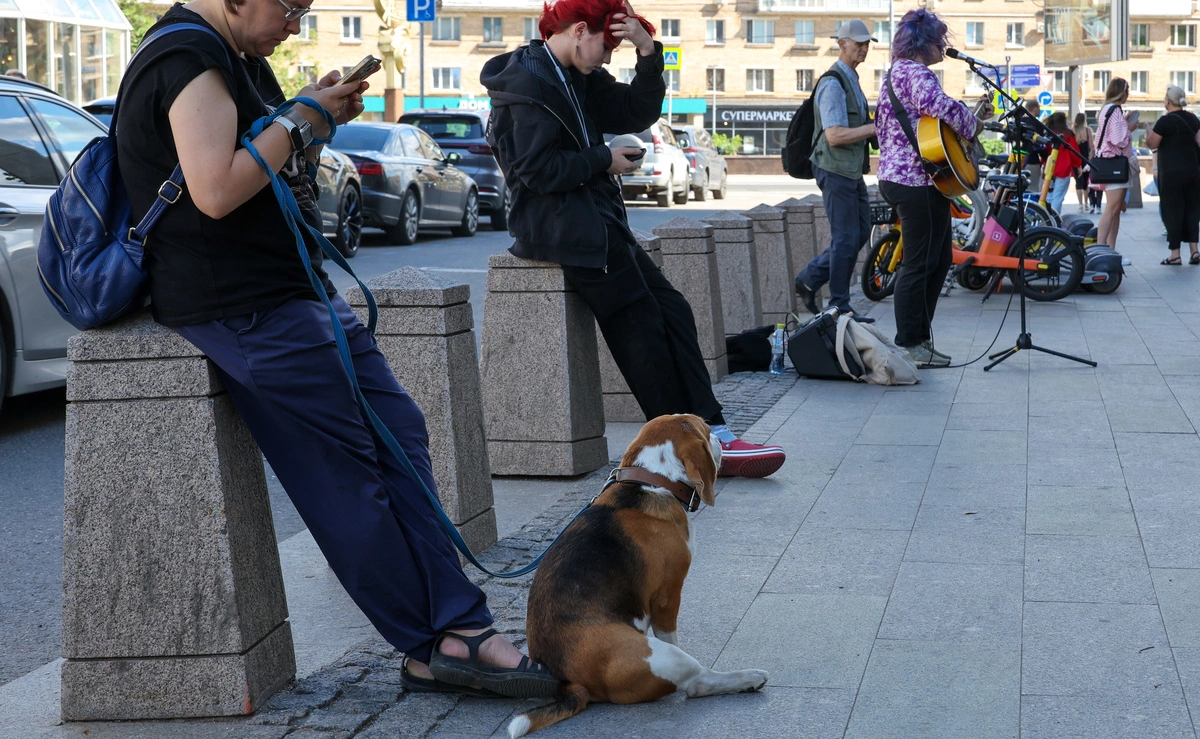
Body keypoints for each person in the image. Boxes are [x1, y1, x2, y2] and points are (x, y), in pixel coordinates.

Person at [115, 0, 560, 700]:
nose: (295, 22)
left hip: (296, 292)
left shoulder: (238, 58)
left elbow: (270, 175)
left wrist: (315, 120)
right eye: (289, 6)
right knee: (349, 480)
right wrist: (299, 121)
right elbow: (215, 189)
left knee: (400, 432)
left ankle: (449, 627)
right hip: (244, 307)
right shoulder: (184, 58)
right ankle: (440, 636)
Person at [481, 0, 785, 477]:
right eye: (608, 44)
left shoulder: (574, 74)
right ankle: (682, 448)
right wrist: (604, 158)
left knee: (673, 310)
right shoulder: (528, 84)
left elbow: (636, 109)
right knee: (641, 330)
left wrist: (648, 52)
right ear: (580, 30)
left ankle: (712, 432)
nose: (608, 56)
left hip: (597, 224)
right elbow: (535, 173)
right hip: (564, 231)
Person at [874, 7, 986, 368]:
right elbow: (936, 104)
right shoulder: (915, 72)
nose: (944, 47)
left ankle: (920, 339)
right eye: (940, 41)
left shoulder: (897, 73)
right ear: (925, 43)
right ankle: (909, 343)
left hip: (915, 179)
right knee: (921, 263)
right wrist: (971, 122)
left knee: (937, 261)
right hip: (915, 181)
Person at [793, 19, 878, 324]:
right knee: (845, 237)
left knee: (857, 235)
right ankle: (840, 305)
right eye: (859, 43)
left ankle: (810, 277)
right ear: (842, 44)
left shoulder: (852, 78)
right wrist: (873, 128)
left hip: (851, 170)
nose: (865, 48)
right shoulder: (833, 83)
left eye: (868, 43)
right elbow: (834, 136)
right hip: (833, 167)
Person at [1146, 85, 1200, 265]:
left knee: (1173, 211)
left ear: (1168, 101)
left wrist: (1148, 130)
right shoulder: (1193, 119)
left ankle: (1175, 254)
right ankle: (1194, 251)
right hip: (1193, 172)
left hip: (1171, 174)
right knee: (1193, 210)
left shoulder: (1164, 121)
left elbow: (1152, 143)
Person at [1090, 78, 1144, 252]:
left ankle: (1110, 249)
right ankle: (1101, 248)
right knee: (1112, 209)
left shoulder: (1107, 109)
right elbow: (1118, 140)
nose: (1128, 95)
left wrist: (1124, 122)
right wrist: (1129, 129)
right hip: (1115, 164)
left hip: (1108, 162)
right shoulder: (1115, 112)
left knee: (1115, 210)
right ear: (1123, 92)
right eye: (1127, 91)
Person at [1045, 112, 1081, 216]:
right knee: (1058, 196)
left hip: (1049, 167)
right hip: (1064, 168)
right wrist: (1077, 165)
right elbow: (1074, 152)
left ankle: (1046, 217)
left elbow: (1045, 151)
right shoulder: (1068, 134)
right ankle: (1053, 219)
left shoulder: (1049, 133)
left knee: (1048, 195)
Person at [1073, 112, 1099, 213]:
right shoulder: (1088, 130)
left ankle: (1080, 205)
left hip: (1076, 158)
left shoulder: (1073, 131)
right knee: (1086, 182)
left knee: (1078, 182)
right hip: (1086, 159)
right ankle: (1086, 203)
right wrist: (1092, 157)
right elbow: (1091, 146)